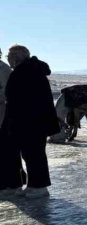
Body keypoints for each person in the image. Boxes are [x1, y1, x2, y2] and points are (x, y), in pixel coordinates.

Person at [4, 45, 59, 199]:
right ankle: (34, 185)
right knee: (32, 154)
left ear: (17, 57)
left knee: (34, 154)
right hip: (34, 121)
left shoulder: (25, 72)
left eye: (9, 57)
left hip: (29, 122)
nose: (8, 60)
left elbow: (19, 101)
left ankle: (39, 186)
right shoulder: (32, 71)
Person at [0, 47, 19, 197]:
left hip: (4, 115)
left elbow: (9, 93)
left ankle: (10, 183)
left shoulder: (4, 69)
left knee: (6, 150)